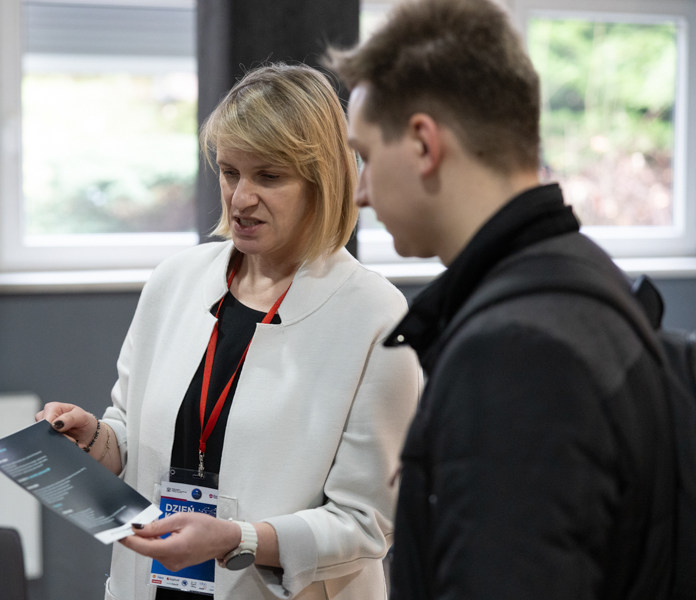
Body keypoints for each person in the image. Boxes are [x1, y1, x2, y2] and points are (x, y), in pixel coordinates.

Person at [328, 0, 676, 598]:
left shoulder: (515, 356)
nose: (359, 191)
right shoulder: (583, 278)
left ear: (423, 144)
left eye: (365, 155)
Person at [37, 63, 421, 600]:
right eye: (229, 171)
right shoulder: (175, 281)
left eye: (268, 177)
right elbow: (134, 437)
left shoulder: (374, 314)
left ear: (323, 181)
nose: (240, 198)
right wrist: (95, 439)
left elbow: (366, 523)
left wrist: (238, 539)